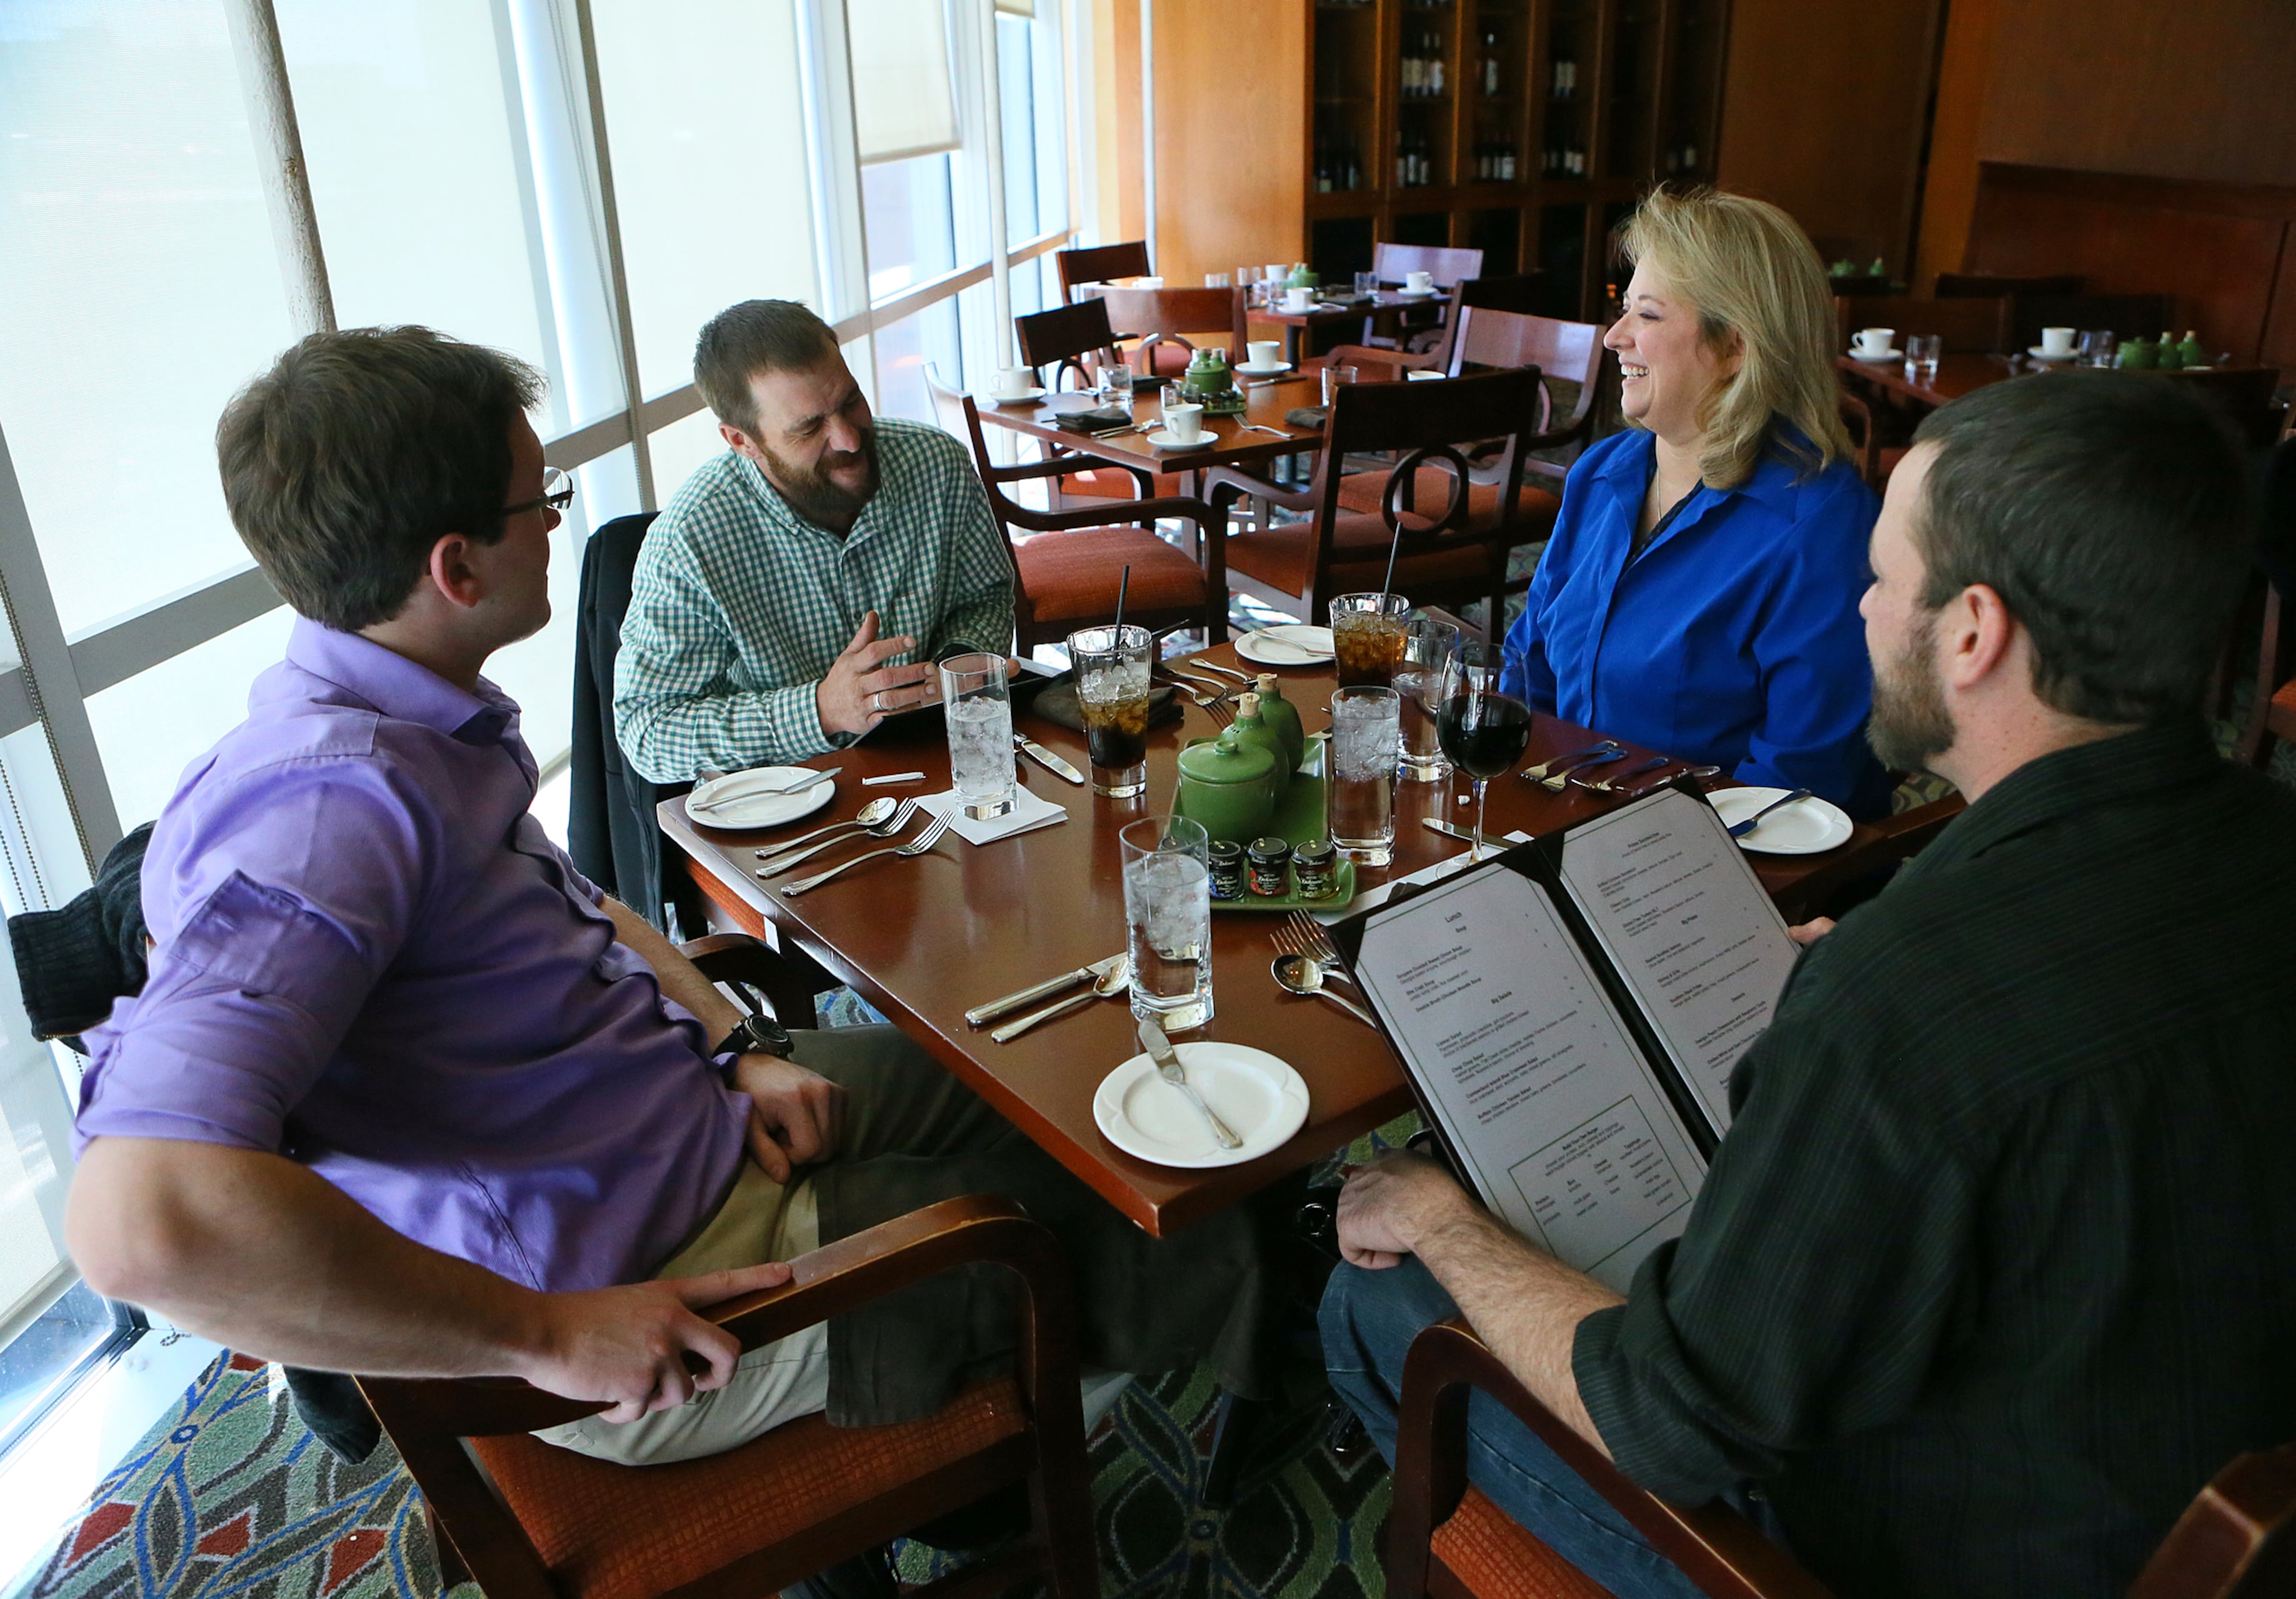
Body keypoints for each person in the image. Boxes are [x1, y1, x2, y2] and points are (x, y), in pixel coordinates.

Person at [64, 327, 1266, 1506]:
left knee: (1047, 1081)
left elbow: (581, 907)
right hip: (651, 1266)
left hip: (682, 1118)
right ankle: (1169, 1386)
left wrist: (730, 1046)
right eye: (541, 503)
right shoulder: (328, 819)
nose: (559, 527)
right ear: (456, 568)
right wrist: (544, 1337)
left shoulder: (413, 724)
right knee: (1099, 1233)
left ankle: (1035, 1356)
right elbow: (139, 1221)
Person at [1321, 371, 2296, 1599]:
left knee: (1386, 1298)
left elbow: (1673, 1421)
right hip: (2209, 1501)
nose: (1865, 610)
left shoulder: (1907, 995)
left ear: (1974, 631)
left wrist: (1439, 1213)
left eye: (1884, 580)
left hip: (1878, 1556)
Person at [1501, 187, 1886, 816]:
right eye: (1623, 310)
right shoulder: (1602, 472)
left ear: (1736, 347)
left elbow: (1797, 788)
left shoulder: (1820, 525)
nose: (1614, 337)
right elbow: (1530, 666)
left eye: (1647, 316)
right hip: (1569, 819)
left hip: (1716, 865)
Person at [614, 299, 1017, 783]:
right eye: (810, 428)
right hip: (783, 806)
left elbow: (987, 596)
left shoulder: (937, 464)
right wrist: (818, 712)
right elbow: (647, 730)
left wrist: (955, 668)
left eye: (850, 402)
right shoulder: (690, 542)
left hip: (932, 765)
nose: (848, 439)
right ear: (742, 441)